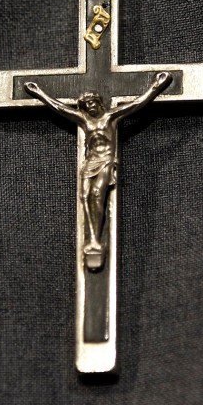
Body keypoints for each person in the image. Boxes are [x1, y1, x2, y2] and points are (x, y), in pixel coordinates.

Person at [25, 71, 173, 270]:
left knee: (97, 194)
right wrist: (40, 94)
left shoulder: (111, 117)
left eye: (93, 103)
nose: (91, 107)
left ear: (99, 102)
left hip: (105, 161)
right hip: (90, 163)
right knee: (85, 196)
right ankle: (93, 238)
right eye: (87, 105)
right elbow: (60, 108)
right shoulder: (85, 121)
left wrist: (157, 86)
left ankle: (96, 239)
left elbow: (137, 104)